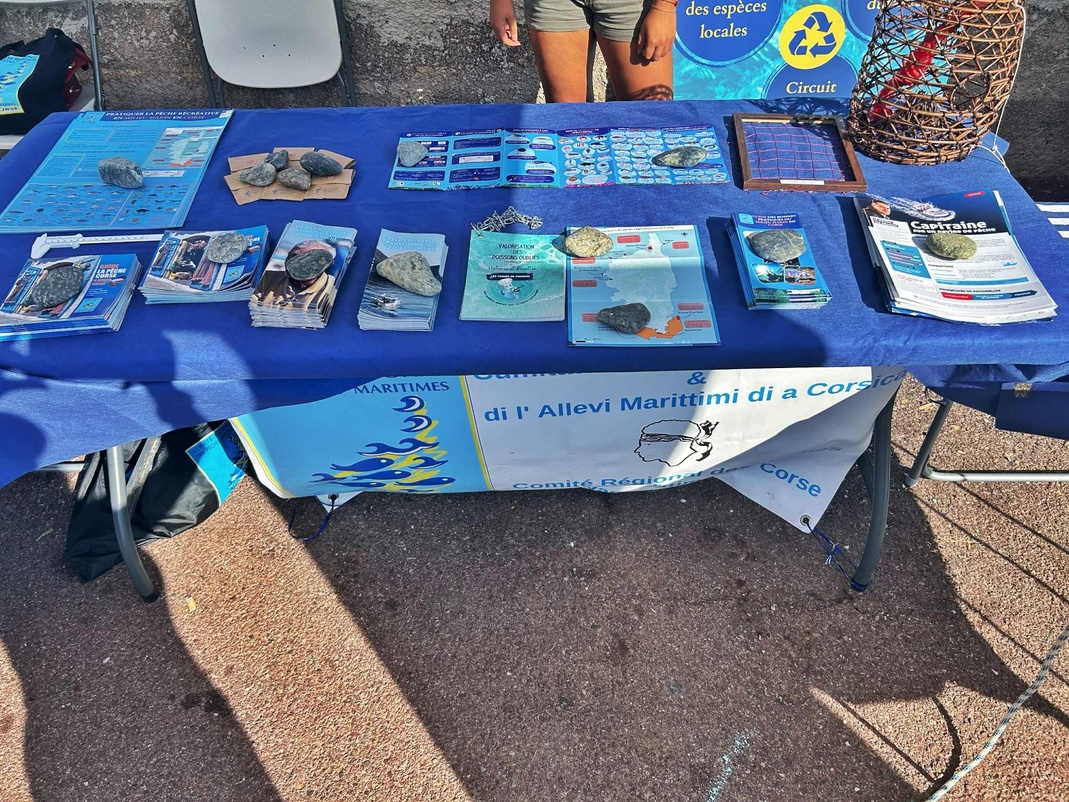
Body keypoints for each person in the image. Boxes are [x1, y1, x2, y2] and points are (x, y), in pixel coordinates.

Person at [490, 0, 676, 102]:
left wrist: (666, 5)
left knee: (649, 123)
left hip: (631, 4)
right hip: (554, 5)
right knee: (569, 125)